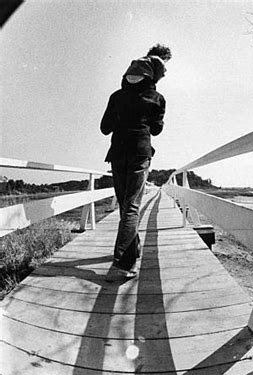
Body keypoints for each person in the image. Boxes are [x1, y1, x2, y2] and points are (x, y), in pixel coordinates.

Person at [100, 43, 171, 280]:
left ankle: (132, 251)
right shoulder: (157, 98)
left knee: (125, 206)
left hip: (118, 153)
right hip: (140, 152)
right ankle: (125, 262)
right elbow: (157, 130)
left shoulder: (116, 96)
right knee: (131, 205)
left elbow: (104, 128)